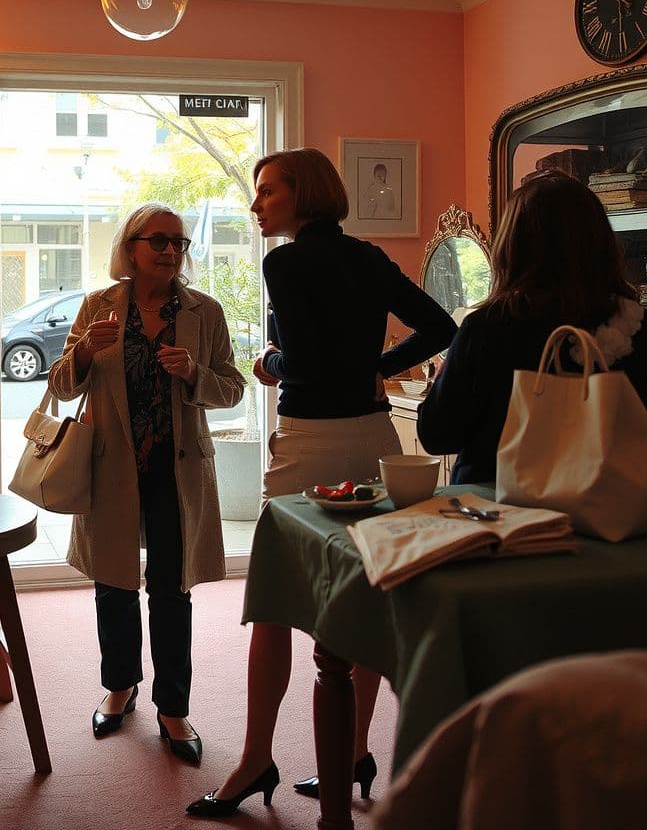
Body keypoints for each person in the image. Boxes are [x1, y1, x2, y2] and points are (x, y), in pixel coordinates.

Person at [188, 148, 456, 817]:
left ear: (305, 195)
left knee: (275, 606)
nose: (256, 205)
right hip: (373, 441)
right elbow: (442, 326)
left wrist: (271, 360)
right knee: (365, 597)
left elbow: (302, 365)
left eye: (267, 192)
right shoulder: (367, 258)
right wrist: (379, 368)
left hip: (309, 445)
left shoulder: (284, 261)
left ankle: (254, 761)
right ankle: (355, 751)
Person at [48, 202, 245, 765]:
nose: (169, 251)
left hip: (176, 471)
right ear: (129, 247)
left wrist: (195, 375)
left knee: (171, 589)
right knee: (112, 584)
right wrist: (85, 349)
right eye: (157, 240)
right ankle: (120, 686)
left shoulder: (204, 311)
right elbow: (62, 387)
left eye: (178, 243)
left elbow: (232, 388)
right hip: (111, 466)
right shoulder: (98, 306)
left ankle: (173, 707)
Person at [418, 170, 647, 482]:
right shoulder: (635, 322)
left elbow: (438, 435)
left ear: (512, 245)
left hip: (500, 511)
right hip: (605, 511)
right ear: (599, 241)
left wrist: (436, 383)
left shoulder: (486, 328)